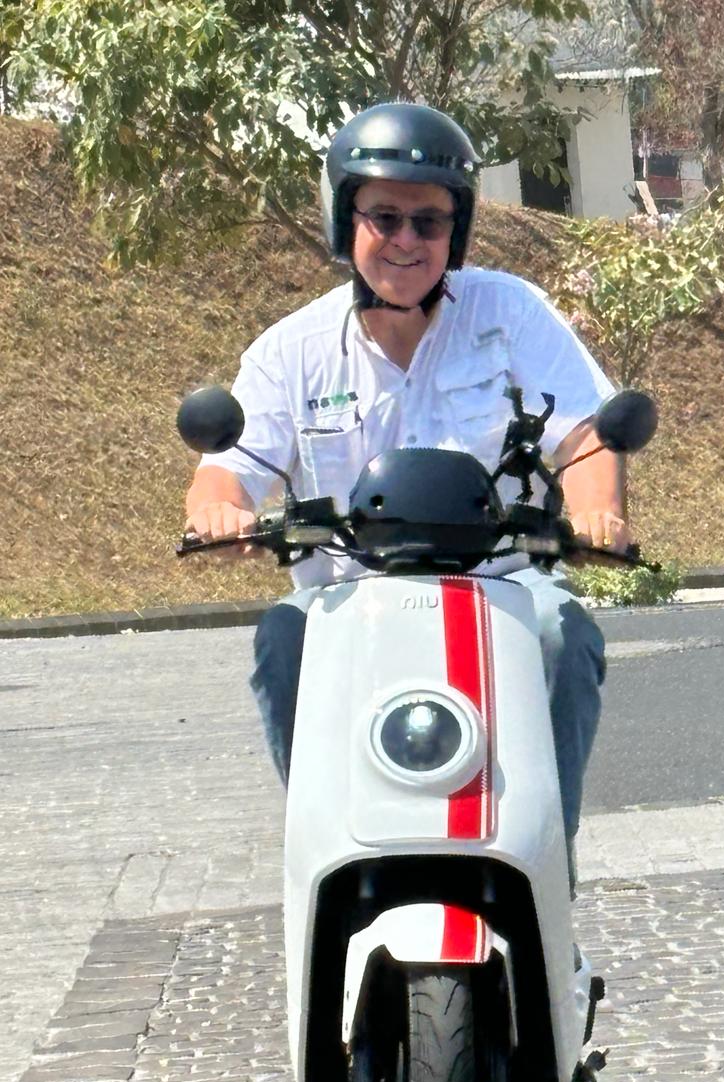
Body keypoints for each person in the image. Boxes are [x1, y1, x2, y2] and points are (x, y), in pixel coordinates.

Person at [184, 102, 630, 887]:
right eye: (384, 216)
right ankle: (328, 862)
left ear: (456, 231)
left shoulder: (509, 314)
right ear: (344, 218)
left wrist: (599, 512)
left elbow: (586, 434)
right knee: (282, 642)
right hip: (345, 599)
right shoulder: (294, 351)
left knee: (563, 637)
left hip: (499, 587)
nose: (406, 240)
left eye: (429, 221)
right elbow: (229, 466)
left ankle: (544, 872)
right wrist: (221, 512)